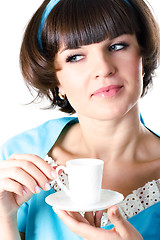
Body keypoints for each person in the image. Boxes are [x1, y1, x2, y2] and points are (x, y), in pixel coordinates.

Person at [0, 0, 160, 239]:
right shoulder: (21, 157)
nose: (103, 68)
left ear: (143, 57)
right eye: (75, 57)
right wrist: (4, 219)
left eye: (117, 46)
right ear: (56, 80)